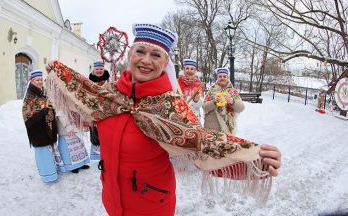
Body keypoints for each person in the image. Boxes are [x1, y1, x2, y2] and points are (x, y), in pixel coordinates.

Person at [44, 23, 281, 216]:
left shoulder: (172, 108)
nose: (146, 60)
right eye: (140, 52)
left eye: (155, 55)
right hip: (112, 201)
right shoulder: (108, 97)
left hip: (153, 205)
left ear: (164, 63)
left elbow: (203, 146)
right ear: (130, 56)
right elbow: (83, 97)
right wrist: (58, 73)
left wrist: (256, 160)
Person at [22, 70, 58, 183]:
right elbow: (26, 113)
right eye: (37, 80)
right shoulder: (30, 96)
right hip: (38, 131)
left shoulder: (42, 92)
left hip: (46, 128)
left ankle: (52, 172)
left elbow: (48, 105)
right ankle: (47, 176)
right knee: (43, 154)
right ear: (31, 81)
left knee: (49, 153)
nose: (40, 82)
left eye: (41, 80)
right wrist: (43, 111)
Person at [202, 67, 244, 135]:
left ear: (228, 78)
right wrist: (214, 102)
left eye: (225, 76)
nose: (222, 78)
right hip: (212, 127)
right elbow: (204, 107)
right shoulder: (212, 90)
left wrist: (232, 102)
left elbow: (241, 108)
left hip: (228, 128)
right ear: (217, 78)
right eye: (220, 76)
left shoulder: (233, 91)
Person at [88, 60, 110, 160]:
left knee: (107, 131)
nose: (99, 71)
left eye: (101, 69)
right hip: (94, 108)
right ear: (94, 69)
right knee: (95, 131)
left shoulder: (108, 81)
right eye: (97, 69)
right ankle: (96, 154)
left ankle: (107, 153)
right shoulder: (89, 81)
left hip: (107, 109)